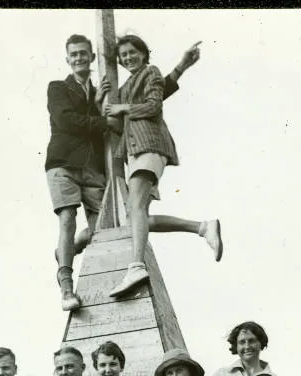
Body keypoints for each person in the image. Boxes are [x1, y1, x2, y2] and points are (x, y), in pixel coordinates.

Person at [46, 33, 202, 312]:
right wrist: (103, 116)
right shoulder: (58, 87)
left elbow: (148, 96)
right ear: (68, 59)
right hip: (65, 163)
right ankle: (66, 287)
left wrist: (181, 68)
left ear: (93, 57)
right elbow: (65, 119)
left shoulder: (104, 90)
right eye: (74, 54)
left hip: (94, 170)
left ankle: (69, 247)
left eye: (84, 53)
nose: (80, 58)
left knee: (103, 230)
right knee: (68, 218)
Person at [102, 34, 223, 298]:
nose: (128, 58)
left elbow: (153, 105)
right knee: (139, 217)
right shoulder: (125, 88)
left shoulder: (150, 72)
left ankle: (136, 265)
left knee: (135, 210)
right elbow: (116, 123)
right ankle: (202, 227)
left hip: (150, 144)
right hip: (133, 151)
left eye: (133, 52)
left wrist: (122, 108)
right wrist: (104, 104)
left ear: (144, 54)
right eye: (123, 55)